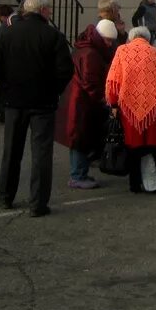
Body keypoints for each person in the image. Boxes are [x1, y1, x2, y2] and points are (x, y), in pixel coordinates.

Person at [0, 0, 73, 217]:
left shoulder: (7, 33)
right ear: (44, 11)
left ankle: (4, 196)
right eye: (50, 9)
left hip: (14, 100)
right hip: (42, 103)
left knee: (11, 151)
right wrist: (52, 90)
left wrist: (8, 84)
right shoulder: (53, 36)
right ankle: (37, 203)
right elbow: (65, 70)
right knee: (41, 154)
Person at [105, 27, 156, 194]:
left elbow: (113, 80)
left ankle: (135, 185)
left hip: (129, 105)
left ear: (131, 38)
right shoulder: (155, 52)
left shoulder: (122, 51)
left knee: (133, 146)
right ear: (148, 38)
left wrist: (114, 104)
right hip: (155, 106)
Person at [62, 18, 119, 189]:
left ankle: (79, 173)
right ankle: (78, 175)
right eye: (108, 40)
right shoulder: (91, 54)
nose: (109, 44)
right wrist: (104, 99)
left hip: (80, 100)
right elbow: (90, 82)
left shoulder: (85, 49)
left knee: (79, 137)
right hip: (84, 102)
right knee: (81, 138)